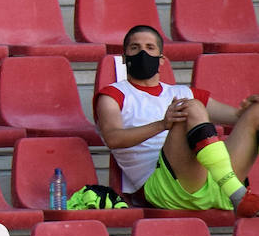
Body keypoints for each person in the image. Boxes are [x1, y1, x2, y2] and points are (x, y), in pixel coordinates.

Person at [94, 24, 259, 216]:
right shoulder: (112, 95)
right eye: (135, 48)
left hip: (216, 181)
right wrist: (163, 125)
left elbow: (236, 118)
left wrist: (250, 106)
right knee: (190, 107)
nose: (142, 53)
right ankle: (236, 191)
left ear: (161, 59)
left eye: (150, 48)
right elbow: (113, 138)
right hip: (164, 188)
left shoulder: (183, 91)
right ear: (125, 58)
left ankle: (232, 189)